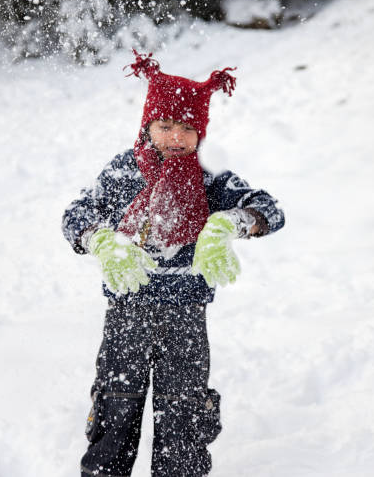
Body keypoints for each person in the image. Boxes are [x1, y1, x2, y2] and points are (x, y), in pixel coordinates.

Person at [62, 50, 285, 477]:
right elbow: (76, 214)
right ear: (147, 126)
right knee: (114, 413)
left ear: (200, 133)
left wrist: (230, 224)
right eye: (165, 126)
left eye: (187, 128)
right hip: (128, 313)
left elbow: (269, 210)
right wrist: (101, 239)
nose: (176, 138)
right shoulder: (123, 172)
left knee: (183, 422)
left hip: (185, 317)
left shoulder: (210, 179)